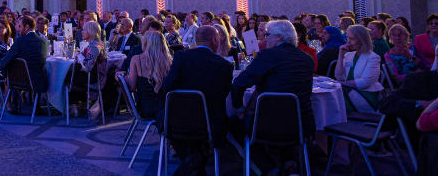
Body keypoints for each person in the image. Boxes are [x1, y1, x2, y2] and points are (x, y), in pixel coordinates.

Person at [231, 20, 316, 176]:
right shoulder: (307, 59)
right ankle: (290, 165)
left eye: (267, 35)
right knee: (284, 114)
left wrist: (239, 107)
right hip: (300, 125)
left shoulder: (268, 55)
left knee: (234, 123)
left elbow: (239, 83)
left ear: (278, 37)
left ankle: (270, 168)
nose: (265, 39)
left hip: (266, 124)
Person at [159, 26, 233, 176]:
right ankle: (197, 156)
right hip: (210, 121)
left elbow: (167, 86)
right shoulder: (224, 65)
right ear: (214, 40)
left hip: (178, 120)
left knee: (161, 116)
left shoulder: (181, 57)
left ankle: (192, 158)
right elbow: (224, 95)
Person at [0, 16, 49, 113]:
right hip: (38, 81)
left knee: (13, 66)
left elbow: (4, 61)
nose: (18, 29)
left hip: (19, 81)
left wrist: (6, 76)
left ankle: (15, 104)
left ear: (27, 27)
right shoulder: (44, 42)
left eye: (20, 26)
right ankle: (36, 105)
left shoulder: (19, 41)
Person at [121, 31, 172, 122]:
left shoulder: (136, 59)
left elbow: (132, 87)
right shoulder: (169, 60)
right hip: (167, 109)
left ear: (146, 43)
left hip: (146, 108)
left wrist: (123, 77)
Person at [336, 25, 383, 113]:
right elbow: (339, 76)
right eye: (348, 38)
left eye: (352, 38)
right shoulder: (348, 55)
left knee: (336, 95)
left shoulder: (373, 57)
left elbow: (364, 82)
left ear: (362, 39)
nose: (348, 41)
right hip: (347, 92)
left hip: (365, 96)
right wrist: (340, 55)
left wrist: (339, 83)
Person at [67, 21, 107, 117]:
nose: (82, 32)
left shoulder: (95, 47)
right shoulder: (97, 44)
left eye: (84, 30)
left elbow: (88, 66)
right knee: (71, 75)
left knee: (66, 77)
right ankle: (83, 104)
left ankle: (74, 107)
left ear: (91, 31)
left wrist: (79, 55)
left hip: (94, 80)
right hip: (92, 77)